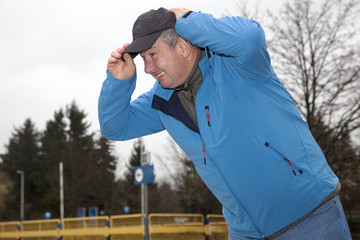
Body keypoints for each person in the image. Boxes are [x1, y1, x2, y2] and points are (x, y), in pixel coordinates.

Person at [98, 7, 352, 240]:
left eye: (153, 54)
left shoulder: (238, 65)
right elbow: (114, 126)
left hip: (310, 217)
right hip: (245, 232)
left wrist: (188, 20)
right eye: (143, 58)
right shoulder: (160, 101)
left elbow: (251, 37)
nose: (148, 68)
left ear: (184, 47)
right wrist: (118, 82)